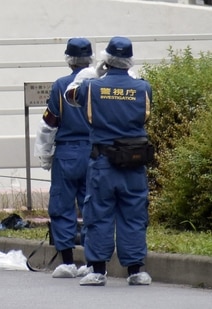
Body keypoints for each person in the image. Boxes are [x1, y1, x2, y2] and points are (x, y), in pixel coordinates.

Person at [64, 36, 153, 286]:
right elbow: (144, 115)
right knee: (134, 215)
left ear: (106, 59)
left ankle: (98, 270)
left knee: (98, 214)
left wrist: (94, 74)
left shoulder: (92, 87)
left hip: (102, 161)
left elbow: (71, 96)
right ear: (130, 61)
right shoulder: (143, 88)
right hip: (135, 162)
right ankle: (136, 271)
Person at [34, 37, 93, 278]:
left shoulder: (60, 86)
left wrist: (45, 154)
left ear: (68, 59)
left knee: (62, 206)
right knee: (93, 207)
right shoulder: (99, 84)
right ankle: (93, 261)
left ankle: (67, 260)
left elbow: (49, 124)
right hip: (94, 151)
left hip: (67, 152)